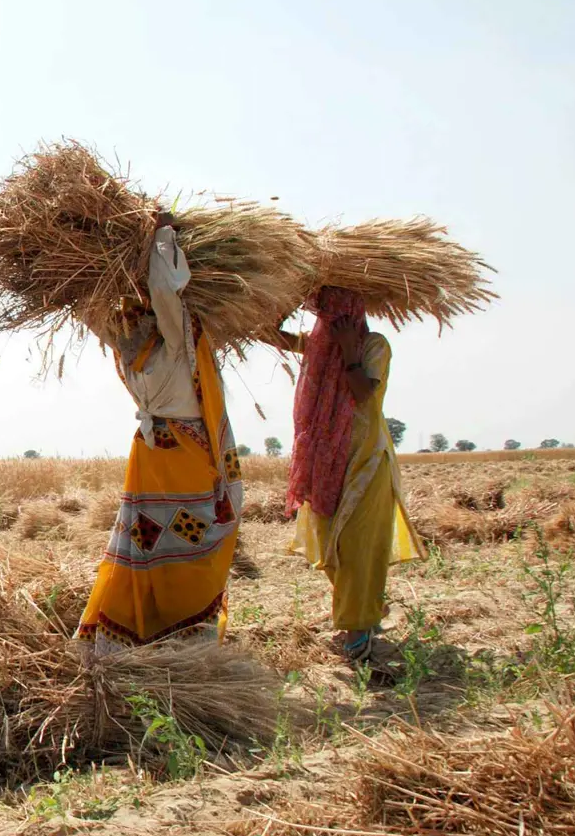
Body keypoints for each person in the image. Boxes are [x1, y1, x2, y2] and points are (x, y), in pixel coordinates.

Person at [75, 212, 244, 656]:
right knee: (148, 541)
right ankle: (150, 634)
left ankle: (178, 634)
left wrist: (161, 239)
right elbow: (92, 311)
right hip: (158, 457)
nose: (126, 318)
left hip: (179, 457)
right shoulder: (136, 346)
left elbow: (164, 290)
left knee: (175, 542)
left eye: (134, 306)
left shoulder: (170, 336)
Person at [271, 287, 420, 660]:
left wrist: (350, 349)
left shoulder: (374, 345)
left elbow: (363, 393)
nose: (331, 323)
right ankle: (364, 612)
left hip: (364, 462)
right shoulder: (318, 348)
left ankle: (357, 630)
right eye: (326, 315)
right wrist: (286, 303)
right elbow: (269, 333)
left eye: (339, 314)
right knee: (330, 544)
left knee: (358, 546)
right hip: (325, 462)